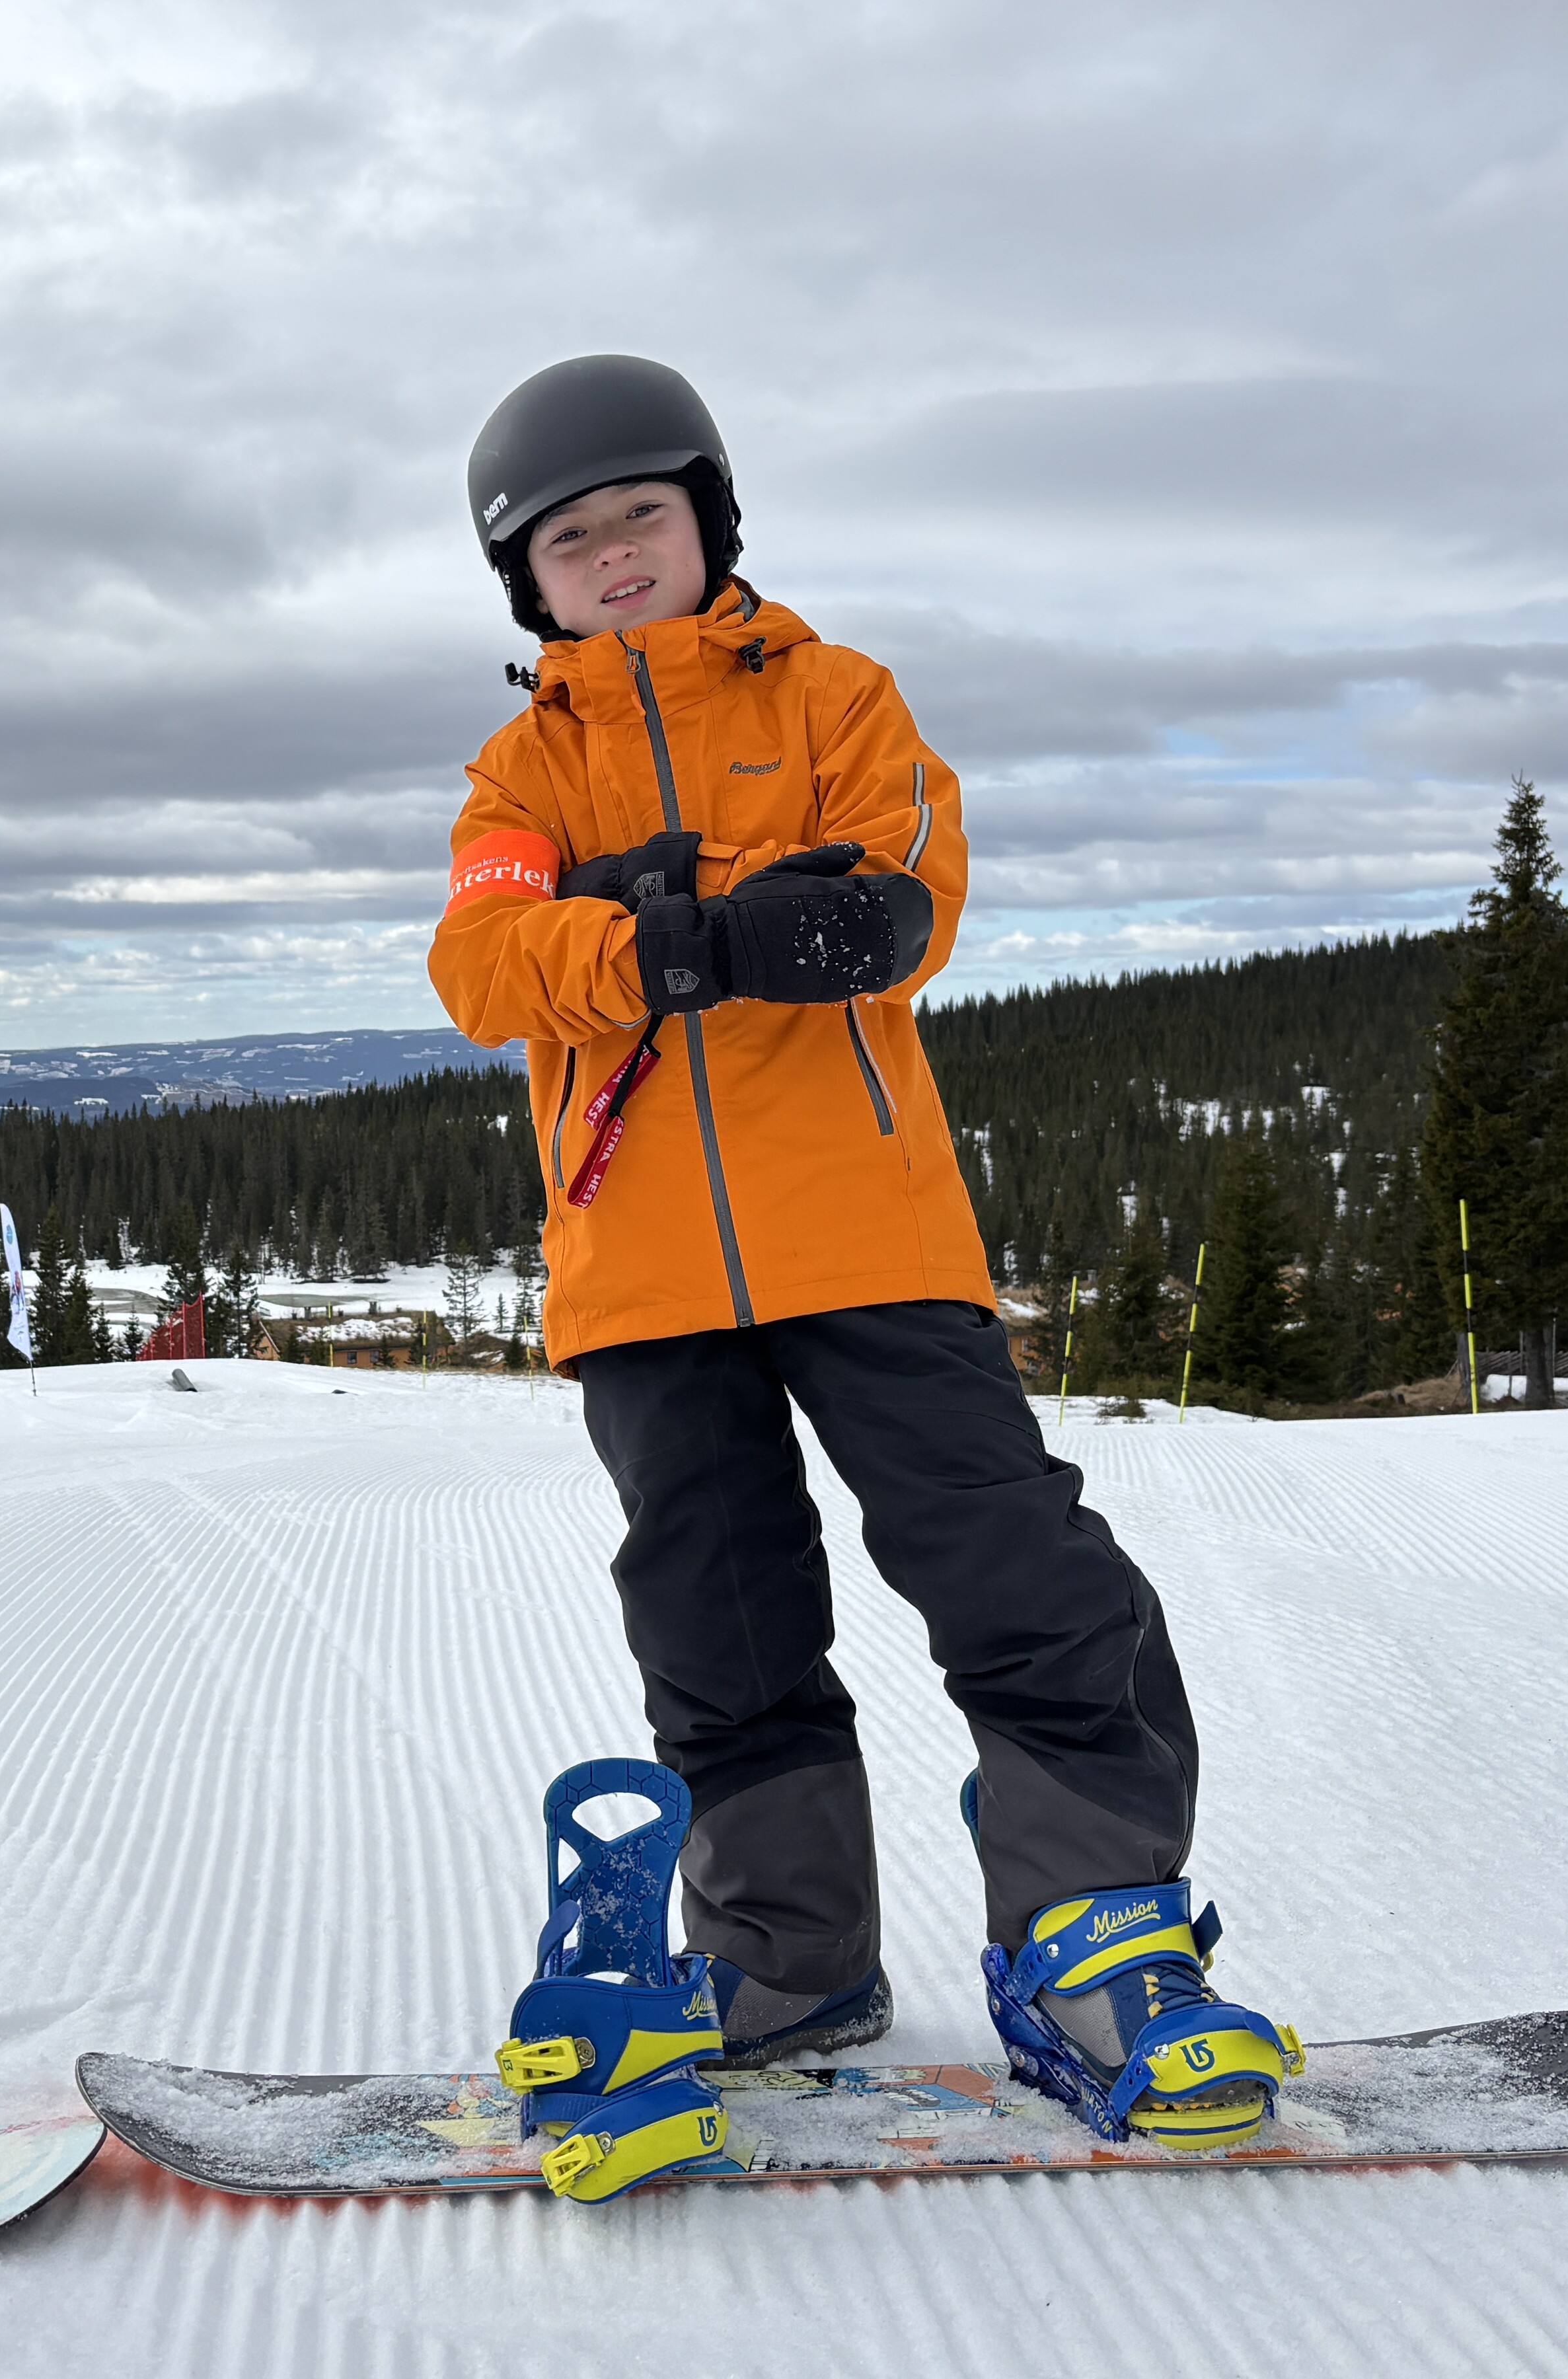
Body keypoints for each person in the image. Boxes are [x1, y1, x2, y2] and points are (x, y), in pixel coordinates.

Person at [427, 356, 1298, 2166]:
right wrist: (681, 937)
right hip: (641, 1268)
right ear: (526, 580)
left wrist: (704, 922)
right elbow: (483, 968)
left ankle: (1093, 1938)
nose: (610, 559)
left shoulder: (835, 696)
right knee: (712, 1609)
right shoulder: (520, 769)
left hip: (871, 1239)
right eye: (567, 541)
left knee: (1011, 1562)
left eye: (639, 518)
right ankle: (781, 1956)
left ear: (709, 520)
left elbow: (886, 903)